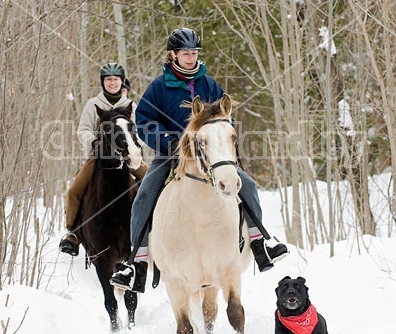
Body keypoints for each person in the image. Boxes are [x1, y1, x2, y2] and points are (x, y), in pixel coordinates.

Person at [109, 28, 289, 293]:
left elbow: (222, 118)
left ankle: (261, 242)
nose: (190, 58)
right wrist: (168, 141)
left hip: (210, 155)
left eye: (194, 53)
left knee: (247, 185)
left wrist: (221, 142)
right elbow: (144, 121)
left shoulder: (208, 84)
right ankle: (137, 264)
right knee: (143, 197)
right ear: (174, 55)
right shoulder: (160, 86)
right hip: (172, 153)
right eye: (185, 53)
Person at [59, 62, 148, 256]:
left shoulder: (130, 105)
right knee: (74, 190)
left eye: (116, 79)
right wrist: (93, 143)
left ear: (122, 82)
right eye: (108, 79)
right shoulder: (93, 104)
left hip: (127, 158)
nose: (112, 83)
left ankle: (155, 227)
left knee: (152, 180)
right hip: (100, 158)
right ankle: (73, 234)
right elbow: (83, 129)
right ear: (103, 82)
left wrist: (136, 145)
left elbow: (140, 129)